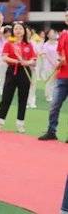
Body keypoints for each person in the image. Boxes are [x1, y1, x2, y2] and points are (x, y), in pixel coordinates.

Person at [0, 21, 36, 134]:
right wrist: (17, 61)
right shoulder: (9, 43)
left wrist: (27, 62)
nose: (18, 30)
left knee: (23, 99)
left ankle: (20, 124)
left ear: (24, 31)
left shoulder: (29, 45)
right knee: (6, 98)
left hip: (25, 73)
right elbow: (4, 57)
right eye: (16, 29)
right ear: (13, 31)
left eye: (20, 28)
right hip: (11, 72)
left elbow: (34, 60)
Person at [39, 9, 68, 142]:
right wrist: (60, 59)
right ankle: (51, 131)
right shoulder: (63, 35)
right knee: (54, 104)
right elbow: (59, 52)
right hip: (62, 75)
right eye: (66, 16)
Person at [40, 29, 59, 102]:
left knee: (56, 81)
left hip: (58, 65)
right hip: (48, 65)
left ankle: (55, 95)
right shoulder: (46, 44)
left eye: (54, 33)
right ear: (47, 35)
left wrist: (58, 62)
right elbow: (45, 55)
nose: (53, 34)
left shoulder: (58, 43)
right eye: (51, 33)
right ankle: (48, 96)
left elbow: (60, 53)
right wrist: (53, 63)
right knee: (49, 81)